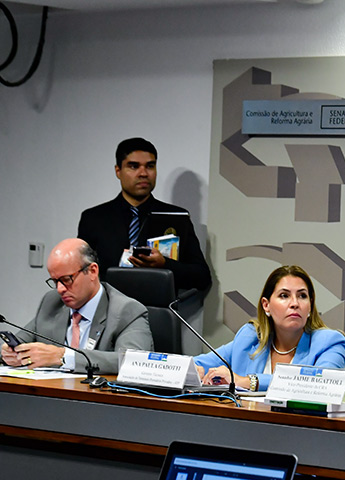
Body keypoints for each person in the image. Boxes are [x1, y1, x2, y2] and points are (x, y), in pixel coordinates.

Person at [77, 137, 211, 293]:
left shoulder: (176, 217)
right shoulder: (94, 218)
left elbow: (202, 278)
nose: (143, 173)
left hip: (157, 311)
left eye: (150, 166)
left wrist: (164, 265)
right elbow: (81, 274)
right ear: (118, 171)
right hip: (108, 310)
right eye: (133, 166)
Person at [0, 239, 153, 375]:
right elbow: (19, 342)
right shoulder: (52, 302)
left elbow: (134, 361)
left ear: (92, 271)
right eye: (55, 282)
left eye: (66, 279)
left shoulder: (126, 310)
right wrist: (9, 353)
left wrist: (62, 356)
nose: (60, 289)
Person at [194, 265, 345, 391]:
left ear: (310, 306)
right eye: (284, 296)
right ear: (266, 305)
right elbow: (199, 363)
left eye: (302, 296)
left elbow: (318, 384)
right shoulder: (250, 338)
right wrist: (193, 370)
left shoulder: (330, 343)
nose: (295, 303)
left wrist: (246, 381)